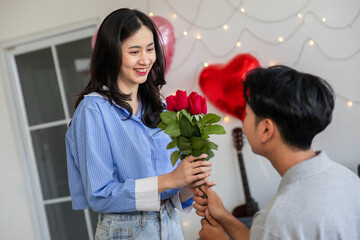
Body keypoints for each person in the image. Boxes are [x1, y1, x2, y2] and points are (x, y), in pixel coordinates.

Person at [65, 8, 213, 240]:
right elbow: (100, 195)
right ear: (111, 54)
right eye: (134, 51)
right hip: (124, 231)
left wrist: (189, 182)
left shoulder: (159, 107)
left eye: (150, 49)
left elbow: (170, 193)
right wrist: (171, 179)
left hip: (170, 226)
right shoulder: (93, 110)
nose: (145, 59)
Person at [193, 65, 360, 240]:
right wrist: (224, 217)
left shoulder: (278, 218)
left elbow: (273, 231)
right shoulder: (349, 180)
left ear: (266, 129)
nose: (243, 121)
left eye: (247, 114)